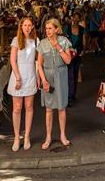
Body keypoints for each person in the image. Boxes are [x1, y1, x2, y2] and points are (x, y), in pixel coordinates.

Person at [37, 19, 73, 149]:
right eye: (46, 28)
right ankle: (48, 137)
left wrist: (58, 47)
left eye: (50, 28)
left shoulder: (64, 41)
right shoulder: (42, 43)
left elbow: (68, 61)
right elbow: (39, 64)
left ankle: (63, 135)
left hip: (61, 75)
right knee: (49, 109)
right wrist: (43, 80)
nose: (48, 31)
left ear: (57, 29)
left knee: (61, 107)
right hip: (47, 76)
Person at [8, 17, 39, 151]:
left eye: (29, 25)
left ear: (32, 27)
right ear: (21, 26)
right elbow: (12, 60)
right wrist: (18, 77)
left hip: (30, 75)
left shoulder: (35, 41)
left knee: (29, 106)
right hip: (18, 75)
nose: (27, 27)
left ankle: (27, 136)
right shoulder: (16, 40)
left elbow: (38, 60)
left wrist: (38, 76)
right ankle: (16, 137)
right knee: (17, 107)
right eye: (25, 25)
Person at [66, 13, 84, 104]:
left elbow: (84, 42)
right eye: (75, 18)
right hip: (68, 55)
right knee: (70, 76)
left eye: (78, 18)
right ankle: (69, 97)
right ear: (72, 18)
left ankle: (72, 95)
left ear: (79, 19)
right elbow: (64, 40)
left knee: (75, 75)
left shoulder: (82, 29)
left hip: (78, 55)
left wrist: (82, 51)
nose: (76, 20)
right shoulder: (68, 28)